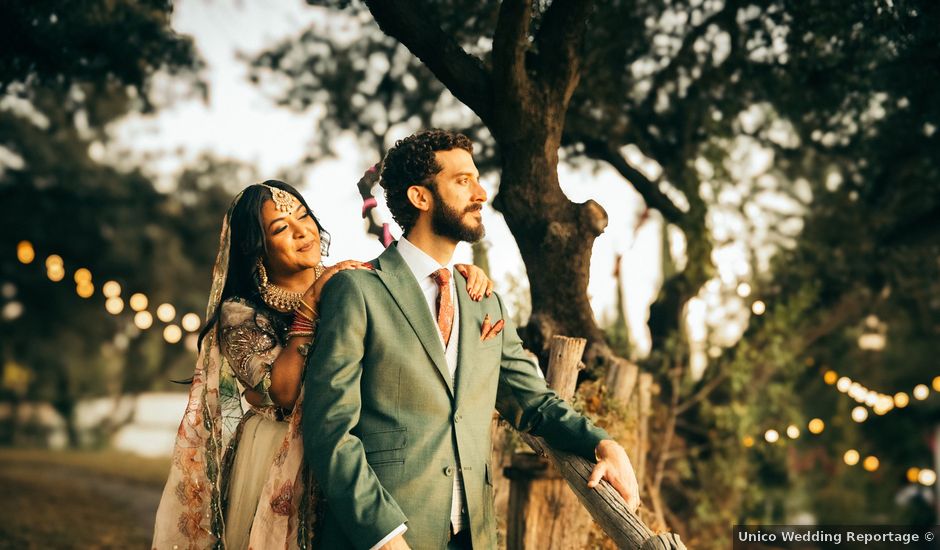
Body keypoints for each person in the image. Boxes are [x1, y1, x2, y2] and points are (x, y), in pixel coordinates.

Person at [303, 129, 641, 550]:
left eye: (477, 179)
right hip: (385, 536)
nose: (480, 193)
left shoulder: (486, 303)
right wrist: (383, 535)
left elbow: (535, 401)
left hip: (475, 536)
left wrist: (603, 443)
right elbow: (329, 430)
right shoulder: (358, 290)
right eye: (462, 181)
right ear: (420, 198)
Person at [151, 180, 495, 550]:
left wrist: (456, 280)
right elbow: (281, 394)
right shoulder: (239, 313)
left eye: (304, 217)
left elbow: (412, 307)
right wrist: (311, 304)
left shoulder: (350, 281)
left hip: (345, 445)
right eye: (281, 229)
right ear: (257, 249)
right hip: (276, 452)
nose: (303, 233)